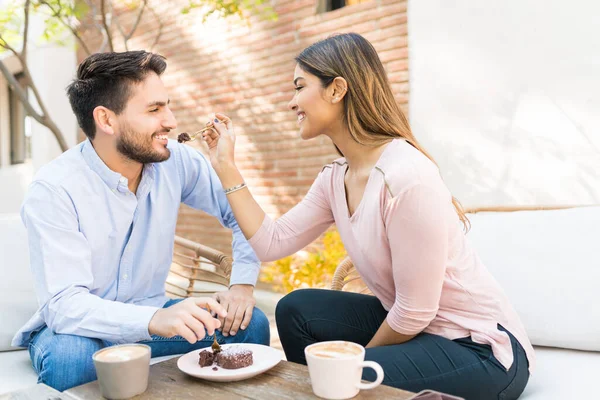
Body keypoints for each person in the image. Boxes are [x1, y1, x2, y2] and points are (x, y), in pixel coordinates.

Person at [201, 33, 534, 399]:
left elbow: (414, 312)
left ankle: (337, 389)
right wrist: (225, 166)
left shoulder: (406, 177)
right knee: (297, 309)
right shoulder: (335, 177)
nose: (292, 102)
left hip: (482, 350)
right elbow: (271, 242)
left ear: (337, 89)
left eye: (300, 87)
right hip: (420, 329)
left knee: (343, 377)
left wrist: (348, 364)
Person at [13, 50, 270, 391]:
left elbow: (242, 216)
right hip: (81, 331)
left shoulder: (176, 161)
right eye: (154, 110)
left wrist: (242, 285)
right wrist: (154, 319)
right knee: (72, 358)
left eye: (167, 105)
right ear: (106, 120)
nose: (171, 120)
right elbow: (65, 306)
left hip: (154, 315)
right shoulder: (55, 189)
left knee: (251, 326)